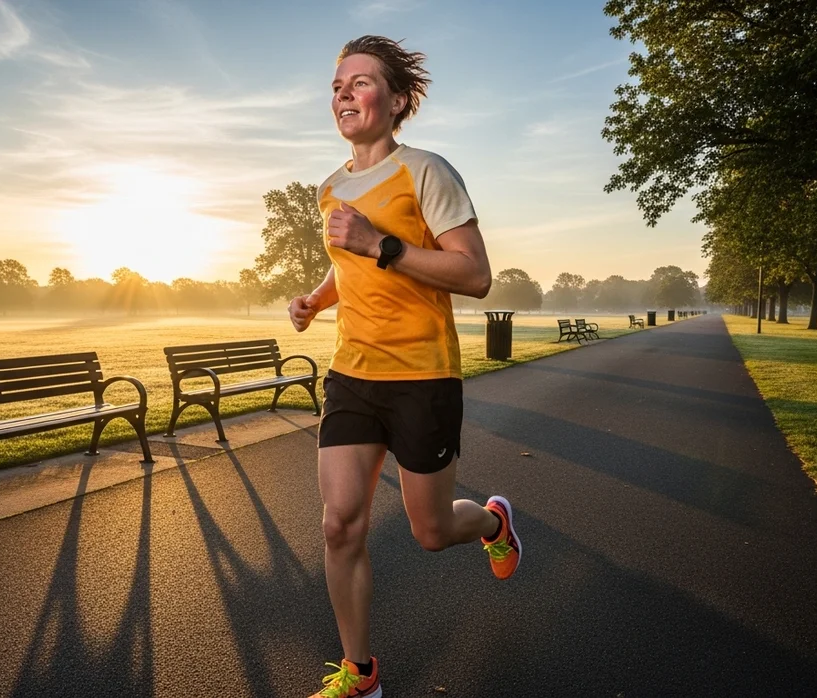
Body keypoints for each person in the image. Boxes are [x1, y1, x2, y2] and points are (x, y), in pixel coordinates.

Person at [289, 35, 522, 698]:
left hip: (423, 376)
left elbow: (474, 275)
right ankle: (360, 674)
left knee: (431, 530)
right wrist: (316, 299)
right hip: (352, 374)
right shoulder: (331, 188)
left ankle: (494, 522)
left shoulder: (426, 172)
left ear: (396, 101)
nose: (344, 94)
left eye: (360, 82)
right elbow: (348, 267)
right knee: (339, 524)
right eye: (337, 86)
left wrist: (380, 243)